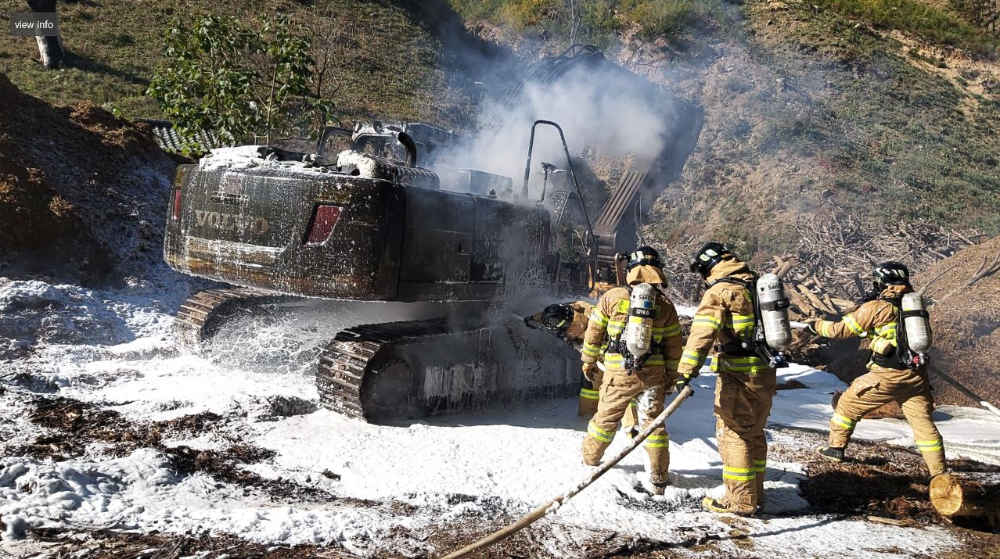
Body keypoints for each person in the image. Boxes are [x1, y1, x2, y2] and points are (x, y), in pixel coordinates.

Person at [806, 261, 946, 477]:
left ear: (883, 282)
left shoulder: (877, 307)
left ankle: (835, 448)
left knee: (846, 405)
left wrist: (815, 325)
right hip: (916, 376)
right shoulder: (913, 305)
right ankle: (939, 472)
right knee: (924, 425)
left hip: (887, 376)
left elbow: (839, 330)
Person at [676, 242, 775, 516]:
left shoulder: (720, 291)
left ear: (709, 267)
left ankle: (741, 501)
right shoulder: (757, 286)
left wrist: (686, 371)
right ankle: (756, 494)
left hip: (738, 375)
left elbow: (701, 336)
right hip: (765, 373)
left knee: (733, 433)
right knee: (754, 432)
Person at [580, 246, 683, 493]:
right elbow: (674, 347)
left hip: (619, 374)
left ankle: (589, 460)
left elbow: (594, 333)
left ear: (631, 270)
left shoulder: (612, 297)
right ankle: (658, 476)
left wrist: (589, 361)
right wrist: (671, 378)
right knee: (653, 426)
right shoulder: (666, 305)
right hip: (653, 376)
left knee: (604, 420)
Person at [529, 301, 641, 431]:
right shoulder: (575, 307)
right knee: (590, 385)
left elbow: (591, 344)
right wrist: (534, 318)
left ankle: (631, 427)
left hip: (609, 357)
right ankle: (587, 416)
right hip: (595, 357)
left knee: (620, 388)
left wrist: (587, 358)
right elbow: (552, 313)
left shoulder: (588, 324)